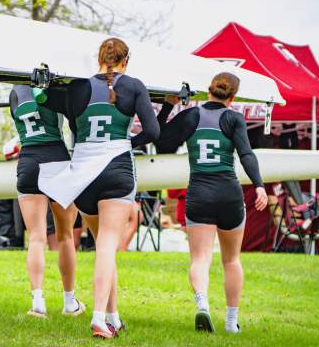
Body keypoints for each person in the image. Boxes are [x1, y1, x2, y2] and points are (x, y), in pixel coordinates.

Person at [38, 37, 159, 338]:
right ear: (125, 61)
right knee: (107, 247)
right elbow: (154, 130)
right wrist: (127, 142)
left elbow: (50, 104)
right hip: (116, 169)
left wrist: (42, 87)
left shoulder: (78, 87)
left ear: (99, 60)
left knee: (101, 247)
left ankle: (114, 317)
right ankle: (98, 318)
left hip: (83, 175)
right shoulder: (134, 86)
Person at [155, 72, 268, 333]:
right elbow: (246, 154)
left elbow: (161, 143)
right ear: (233, 97)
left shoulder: (191, 116)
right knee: (231, 260)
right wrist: (259, 185)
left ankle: (203, 304)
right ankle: (231, 323)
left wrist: (169, 106)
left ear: (208, 90)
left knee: (200, 259)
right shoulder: (234, 118)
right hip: (229, 194)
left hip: (199, 195)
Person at [9, 84, 85, 318]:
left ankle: (38, 301)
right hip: (56, 157)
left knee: (36, 238)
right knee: (65, 236)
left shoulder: (14, 92)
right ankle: (69, 301)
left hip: (28, 159)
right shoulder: (53, 86)